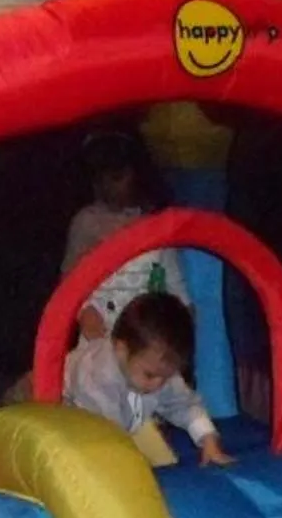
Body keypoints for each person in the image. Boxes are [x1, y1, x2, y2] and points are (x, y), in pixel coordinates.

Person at [61, 291, 233, 467]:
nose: (158, 383)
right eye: (150, 375)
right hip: (72, 419)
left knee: (165, 463)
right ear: (121, 350)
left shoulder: (155, 368)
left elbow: (185, 404)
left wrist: (208, 438)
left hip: (121, 423)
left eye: (165, 377)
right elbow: (105, 435)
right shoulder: (98, 377)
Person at [64, 129, 188, 341]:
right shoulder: (86, 222)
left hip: (149, 337)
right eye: (100, 179)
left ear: (138, 173)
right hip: (100, 336)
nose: (109, 187)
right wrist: (84, 312)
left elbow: (175, 285)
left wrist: (180, 324)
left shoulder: (157, 221)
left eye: (117, 177)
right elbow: (69, 282)